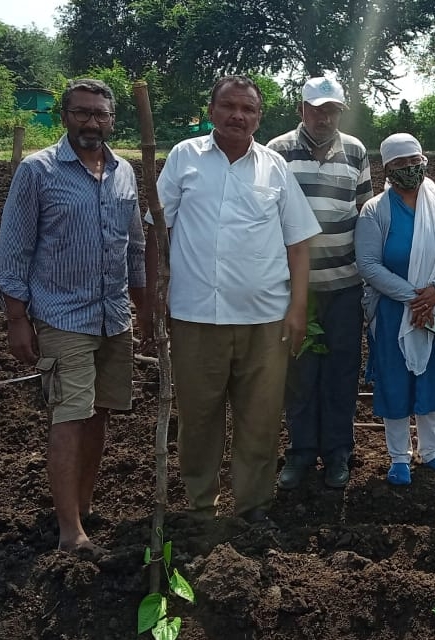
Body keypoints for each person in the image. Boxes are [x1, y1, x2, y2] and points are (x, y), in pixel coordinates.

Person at [153, 76, 321, 523]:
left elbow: (299, 243)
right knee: (198, 417)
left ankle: (252, 505)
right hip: (194, 316)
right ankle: (200, 504)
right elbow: (157, 227)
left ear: (258, 118)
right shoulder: (184, 159)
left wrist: (298, 309)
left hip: (264, 319)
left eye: (248, 109)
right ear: (211, 110)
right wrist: (156, 291)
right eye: (228, 106)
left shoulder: (274, 168)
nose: (238, 115)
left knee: (260, 419)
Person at [0, 78, 151, 555]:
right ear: (64, 116)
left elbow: (135, 250)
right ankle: (69, 533)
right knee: (69, 416)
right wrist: (17, 320)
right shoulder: (38, 171)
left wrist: (144, 312)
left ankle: (82, 507)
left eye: (101, 115)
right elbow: (13, 250)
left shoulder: (124, 171)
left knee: (100, 413)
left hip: (112, 314)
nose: (92, 123)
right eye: (82, 113)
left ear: (112, 120)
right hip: (63, 315)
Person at [267, 77, 373, 490]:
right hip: (297, 290)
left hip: (345, 284)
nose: (324, 117)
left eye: (332, 110)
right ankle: (299, 452)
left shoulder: (356, 151)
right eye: (316, 109)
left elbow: (364, 214)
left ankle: (338, 452)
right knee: (299, 371)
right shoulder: (277, 152)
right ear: (301, 110)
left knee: (342, 370)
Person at [355, 133, 435, 486]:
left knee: (434, 376)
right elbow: (369, 264)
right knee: (395, 378)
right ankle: (399, 457)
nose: (410, 169)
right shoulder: (376, 211)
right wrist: (412, 298)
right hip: (392, 310)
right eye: (400, 164)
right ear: (386, 168)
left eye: (414, 161)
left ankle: (431, 452)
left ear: (424, 160)